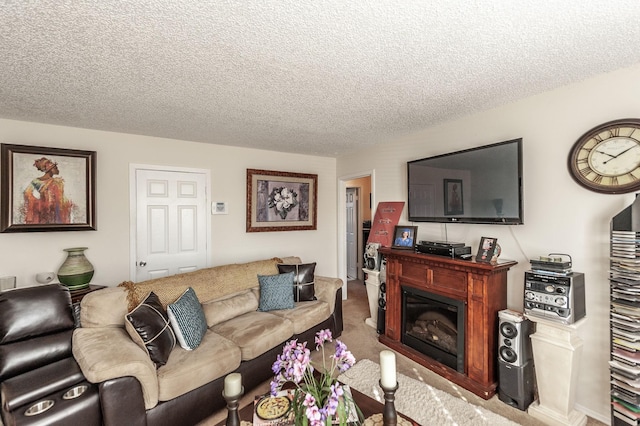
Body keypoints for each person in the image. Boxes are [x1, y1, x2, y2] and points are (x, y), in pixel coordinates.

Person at [21, 157, 74, 224]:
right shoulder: (36, 181)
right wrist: (39, 203)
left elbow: (61, 199)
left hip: (55, 212)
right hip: (42, 213)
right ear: (50, 169)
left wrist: (67, 204)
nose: (58, 170)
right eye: (55, 168)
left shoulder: (57, 182)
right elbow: (27, 194)